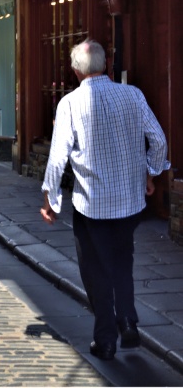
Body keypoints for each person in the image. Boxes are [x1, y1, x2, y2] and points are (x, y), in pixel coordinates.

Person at [41, 39, 170, 361]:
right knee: (122, 261)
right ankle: (127, 319)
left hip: (91, 204)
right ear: (106, 65)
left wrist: (50, 198)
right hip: (128, 202)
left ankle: (106, 338)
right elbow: (158, 139)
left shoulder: (70, 103)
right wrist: (150, 173)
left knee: (95, 270)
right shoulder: (133, 95)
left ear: (74, 71)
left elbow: (58, 158)